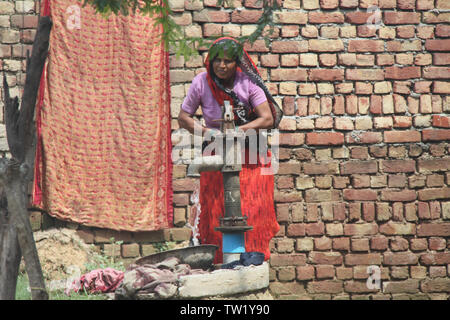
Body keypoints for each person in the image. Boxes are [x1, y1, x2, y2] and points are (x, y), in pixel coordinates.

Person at [178, 37, 283, 264]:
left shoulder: (248, 83)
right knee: (217, 209)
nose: (222, 66)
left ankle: (253, 262)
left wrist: (236, 131)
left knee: (253, 208)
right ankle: (219, 262)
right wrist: (209, 133)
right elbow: (184, 118)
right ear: (210, 61)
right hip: (216, 149)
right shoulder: (201, 83)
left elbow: (267, 118)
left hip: (251, 152)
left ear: (237, 63)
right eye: (217, 60)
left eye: (228, 61)